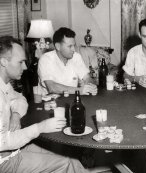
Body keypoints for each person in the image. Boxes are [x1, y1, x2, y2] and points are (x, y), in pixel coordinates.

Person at [0, 36, 90, 173]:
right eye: (20, 62)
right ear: (4, 62)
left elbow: (20, 99)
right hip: (4, 162)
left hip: (14, 150)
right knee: (65, 164)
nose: (25, 67)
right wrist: (40, 127)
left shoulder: (4, 85)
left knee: (71, 158)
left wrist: (16, 114)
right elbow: (2, 142)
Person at [38, 27, 97, 96]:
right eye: (70, 46)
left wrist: (90, 86)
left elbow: (87, 77)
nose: (73, 49)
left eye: (74, 45)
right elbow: (51, 87)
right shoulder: (46, 59)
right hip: (50, 102)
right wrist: (79, 90)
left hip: (72, 99)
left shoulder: (76, 57)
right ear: (58, 46)